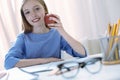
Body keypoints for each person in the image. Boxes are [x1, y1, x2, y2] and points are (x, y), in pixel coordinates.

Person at [4, 0, 87, 69]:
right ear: (25, 17)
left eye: (37, 9)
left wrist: (62, 31)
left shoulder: (56, 33)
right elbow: (8, 63)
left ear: (45, 10)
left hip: (55, 74)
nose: (33, 14)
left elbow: (82, 54)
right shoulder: (23, 38)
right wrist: (46, 60)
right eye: (27, 12)